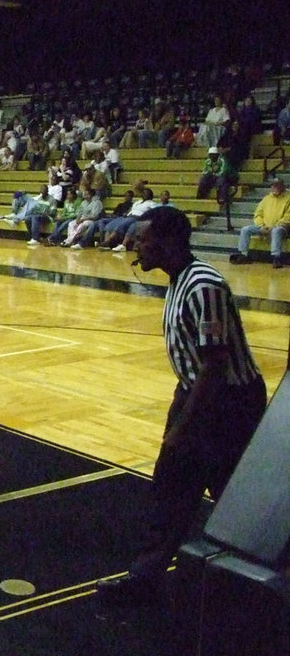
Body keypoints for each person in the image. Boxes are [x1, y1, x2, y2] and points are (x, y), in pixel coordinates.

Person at [96, 206, 266, 605]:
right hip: (196, 391)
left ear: (168, 242)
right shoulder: (179, 280)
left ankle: (256, 581)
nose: (135, 245)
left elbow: (215, 365)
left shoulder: (203, 285)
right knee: (173, 488)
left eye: (143, 239)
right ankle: (146, 577)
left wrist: (182, 426)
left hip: (228, 402)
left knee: (227, 492)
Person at [229, 178, 290, 269]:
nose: (275, 188)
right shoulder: (266, 199)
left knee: (276, 231)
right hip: (264, 226)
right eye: (273, 186)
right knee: (245, 229)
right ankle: (243, 254)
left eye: (277, 186)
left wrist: (275, 226)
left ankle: (276, 257)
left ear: (282, 187)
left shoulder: (288, 199)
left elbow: (288, 216)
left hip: (282, 227)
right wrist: (261, 226)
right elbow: (258, 214)